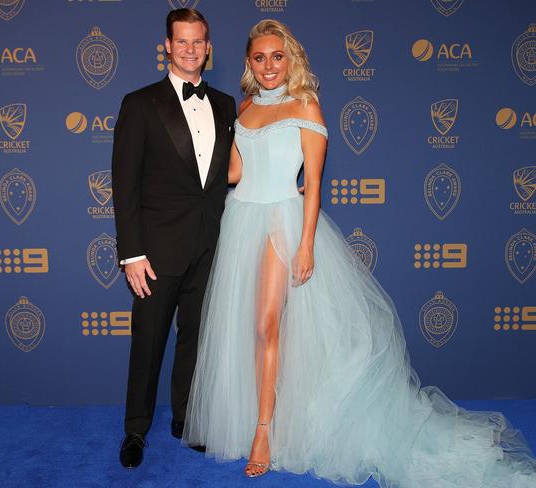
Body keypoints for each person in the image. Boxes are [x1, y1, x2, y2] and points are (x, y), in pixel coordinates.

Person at [183, 19, 536, 486]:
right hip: (240, 219)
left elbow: (313, 187)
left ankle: (264, 431)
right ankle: (268, 417)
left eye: (277, 56)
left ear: (291, 59)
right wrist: (187, 154)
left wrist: (305, 243)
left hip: (281, 224)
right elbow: (232, 173)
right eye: (259, 57)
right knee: (250, 331)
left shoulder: (306, 103)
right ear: (248, 63)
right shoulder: (244, 108)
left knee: (266, 323)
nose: (268, 65)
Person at [111, 8, 236, 468]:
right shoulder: (139, 103)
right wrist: (132, 254)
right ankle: (135, 430)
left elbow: (234, 170)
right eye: (181, 41)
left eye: (197, 41)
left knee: (197, 338)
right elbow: (125, 185)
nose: (189, 49)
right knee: (148, 341)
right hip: (157, 250)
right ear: (167, 45)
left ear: (208, 47)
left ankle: (187, 419)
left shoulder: (225, 104)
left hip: (211, 244)